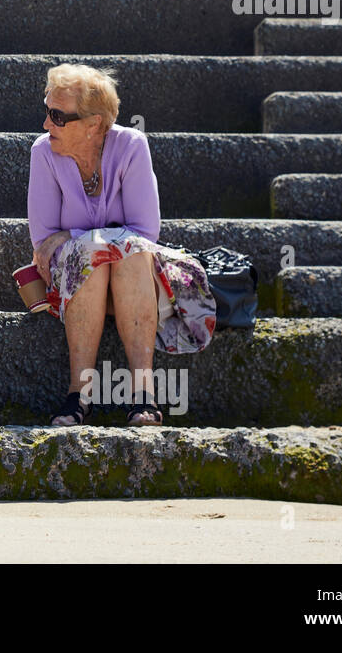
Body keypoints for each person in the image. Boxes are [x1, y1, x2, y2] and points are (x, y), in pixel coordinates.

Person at [28, 63, 216, 427]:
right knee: (96, 253)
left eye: (57, 116)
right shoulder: (43, 152)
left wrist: (80, 237)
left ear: (94, 124)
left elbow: (146, 230)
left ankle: (142, 392)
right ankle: (78, 395)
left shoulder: (131, 145)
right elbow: (44, 241)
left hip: (136, 277)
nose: (46, 124)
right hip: (75, 280)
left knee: (127, 252)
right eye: (46, 111)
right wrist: (97, 242)